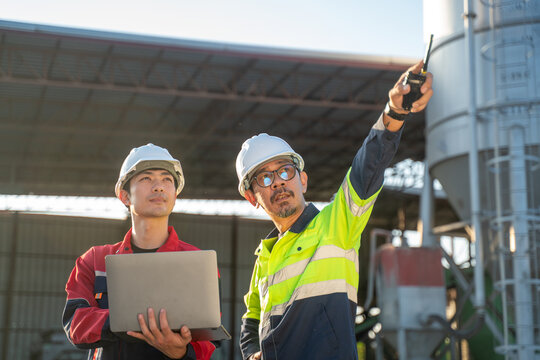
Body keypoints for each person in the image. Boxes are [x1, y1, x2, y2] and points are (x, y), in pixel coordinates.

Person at [236, 61, 433, 360]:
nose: (278, 182)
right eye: (264, 177)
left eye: (285, 171)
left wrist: (393, 114)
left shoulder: (336, 225)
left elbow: (367, 168)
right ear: (253, 197)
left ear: (302, 179)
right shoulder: (264, 258)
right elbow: (250, 321)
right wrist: (252, 354)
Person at [62, 143, 216, 360]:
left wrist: (181, 352)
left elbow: (207, 341)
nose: (159, 186)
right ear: (124, 196)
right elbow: (76, 324)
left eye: (167, 179)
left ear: (175, 195)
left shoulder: (197, 264)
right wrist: (129, 320)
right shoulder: (95, 261)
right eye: (146, 179)